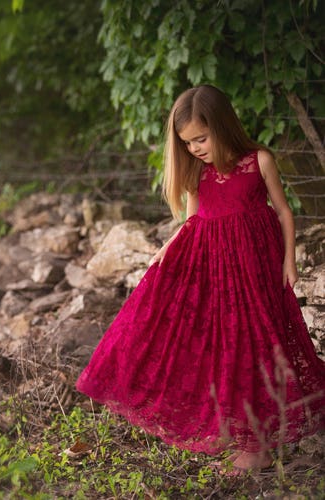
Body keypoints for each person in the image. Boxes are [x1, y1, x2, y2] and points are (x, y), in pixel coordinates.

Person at [76, 85, 325, 474]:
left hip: (256, 268)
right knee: (223, 346)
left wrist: (289, 260)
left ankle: (256, 445)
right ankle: (234, 425)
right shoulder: (198, 171)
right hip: (215, 270)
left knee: (256, 343)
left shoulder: (258, 161)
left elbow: (283, 212)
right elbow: (192, 221)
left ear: (222, 125)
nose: (194, 148)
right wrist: (167, 247)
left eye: (201, 138)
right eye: (187, 142)